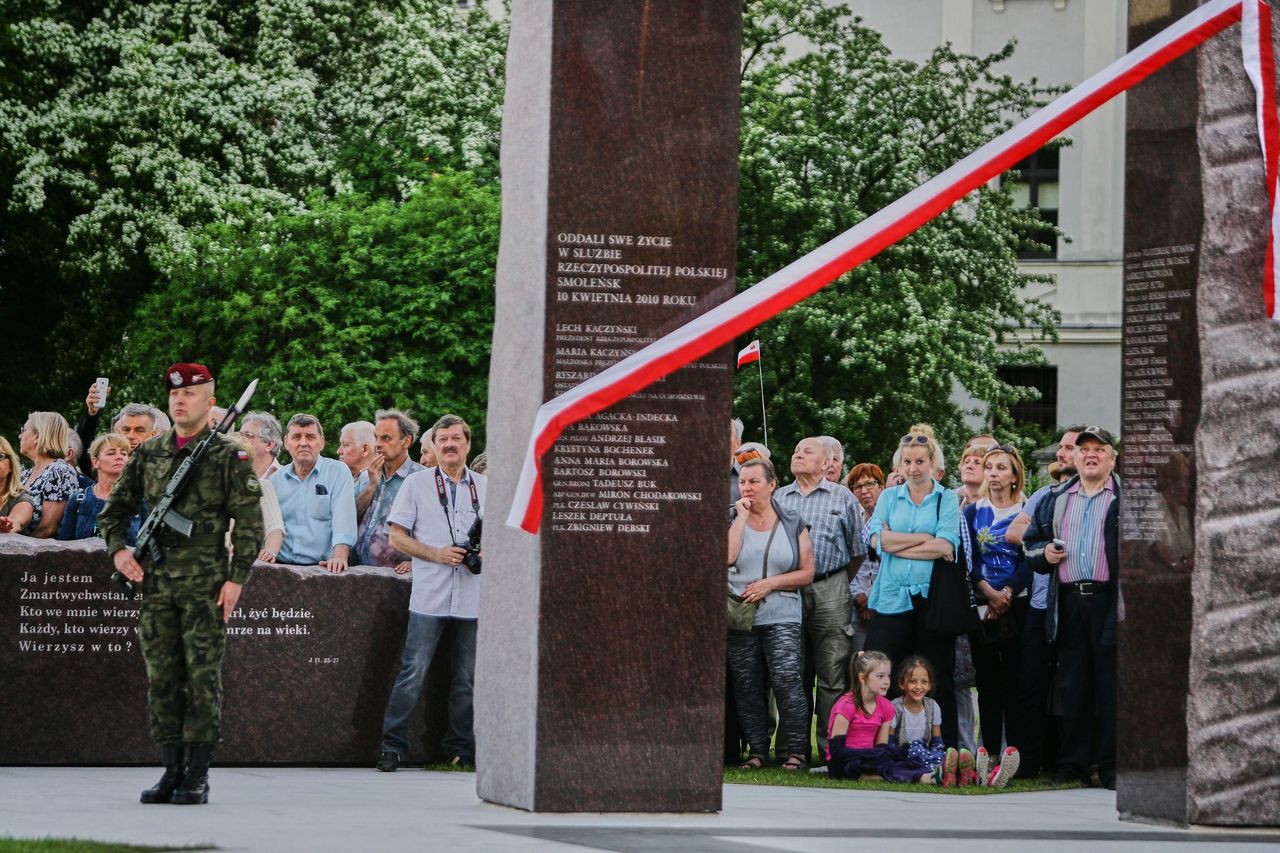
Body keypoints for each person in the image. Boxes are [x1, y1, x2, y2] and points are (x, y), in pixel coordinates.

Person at [99, 362, 264, 806]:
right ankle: (171, 769)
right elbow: (113, 513)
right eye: (174, 394)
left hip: (207, 584)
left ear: (209, 403)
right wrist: (119, 551)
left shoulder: (230, 454)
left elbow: (251, 524)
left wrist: (237, 580)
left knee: (202, 677)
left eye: (190, 394)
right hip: (157, 585)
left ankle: (198, 774)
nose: (179, 400)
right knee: (163, 678)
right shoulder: (149, 453)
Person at [376, 414, 485, 770]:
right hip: (430, 594)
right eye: (443, 440)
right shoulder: (417, 484)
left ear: (468, 443)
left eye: (456, 438)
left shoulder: (486, 487)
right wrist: (436, 554)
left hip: (472, 596)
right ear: (434, 447)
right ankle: (392, 746)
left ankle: (458, 750)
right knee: (413, 671)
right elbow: (397, 537)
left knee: (467, 678)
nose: (450, 445)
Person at [1023, 426, 1121, 789]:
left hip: (1110, 601)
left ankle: (1112, 768)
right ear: (1075, 457)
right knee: (1073, 688)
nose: (1091, 455)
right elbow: (1031, 544)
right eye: (1085, 450)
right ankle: (1072, 767)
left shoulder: (1126, 498)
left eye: (1099, 449)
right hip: (1067, 602)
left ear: (1112, 457)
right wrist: (1044, 554)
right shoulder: (1058, 497)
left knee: (1111, 688)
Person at [864, 425, 960, 745]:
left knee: (936, 676)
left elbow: (946, 546)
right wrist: (922, 538)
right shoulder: (890, 496)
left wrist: (897, 543)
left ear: (932, 464)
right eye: (907, 462)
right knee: (881, 675)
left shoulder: (945, 499)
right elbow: (878, 541)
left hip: (931, 600)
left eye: (919, 461)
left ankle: (942, 748)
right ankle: (879, 745)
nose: (913, 468)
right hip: (892, 597)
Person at [774, 436, 866, 760]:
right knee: (791, 671)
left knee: (832, 673)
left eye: (806, 451)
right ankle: (791, 750)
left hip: (831, 588)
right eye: (796, 450)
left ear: (827, 463)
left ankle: (830, 751)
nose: (797, 454)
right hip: (788, 591)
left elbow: (858, 551)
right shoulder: (779, 497)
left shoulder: (843, 497)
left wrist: (835, 582)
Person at [726, 457, 815, 771]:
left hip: (783, 615)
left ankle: (796, 750)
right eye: (744, 481)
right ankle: (757, 751)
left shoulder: (792, 521)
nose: (747, 487)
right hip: (740, 615)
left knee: (787, 679)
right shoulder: (732, 517)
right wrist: (739, 517)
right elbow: (727, 557)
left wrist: (770, 583)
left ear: (772, 485)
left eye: (754, 481)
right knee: (747, 685)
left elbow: (807, 573)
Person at [1006, 432, 1079, 779]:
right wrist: (1046, 541)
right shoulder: (1043, 495)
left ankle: (1070, 761)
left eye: (1068, 447)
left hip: (1076, 603)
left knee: (1073, 683)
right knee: (1031, 683)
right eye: (1062, 447)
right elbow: (1014, 532)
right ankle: (1028, 760)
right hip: (1040, 604)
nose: (1061, 452)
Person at [963, 444, 1031, 766]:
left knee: (1014, 681)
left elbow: (1028, 558)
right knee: (987, 682)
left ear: (1015, 475)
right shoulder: (973, 511)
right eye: (989, 467)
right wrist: (988, 591)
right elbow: (968, 557)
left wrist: (1007, 592)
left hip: (1017, 603)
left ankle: (1015, 752)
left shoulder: (1027, 510)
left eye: (1001, 468)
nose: (993, 473)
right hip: (981, 603)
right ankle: (988, 753)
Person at [825, 651, 935, 784]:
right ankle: (927, 779)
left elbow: (881, 745)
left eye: (888, 676)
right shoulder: (846, 706)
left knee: (900, 760)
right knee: (878, 766)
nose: (886, 682)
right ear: (862, 678)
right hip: (843, 762)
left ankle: (938, 774)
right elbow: (836, 751)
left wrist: (882, 753)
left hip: (871, 757)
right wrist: (870, 753)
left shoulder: (886, 706)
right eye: (880, 676)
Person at [271, 415, 356, 572]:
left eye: (310, 437)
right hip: (279, 565)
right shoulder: (275, 480)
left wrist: (340, 557)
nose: (303, 443)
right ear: (286, 442)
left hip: (322, 568)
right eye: (296, 437)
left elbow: (343, 519)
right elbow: (268, 525)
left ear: (321, 442)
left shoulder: (338, 472)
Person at [353, 410, 423, 569]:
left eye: (386, 438)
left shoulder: (421, 479)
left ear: (406, 442)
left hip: (397, 578)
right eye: (376, 437)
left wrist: (417, 561)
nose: (377, 444)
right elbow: (349, 518)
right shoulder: (365, 475)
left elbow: (433, 531)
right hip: (356, 572)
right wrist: (371, 486)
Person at [889, 656, 974, 787]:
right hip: (904, 754)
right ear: (902, 684)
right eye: (912, 681)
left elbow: (937, 740)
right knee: (911, 760)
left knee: (942, 756)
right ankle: (944, 774)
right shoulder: (895, 707)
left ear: (929, 685)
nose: (918, 687)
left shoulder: (932, 706)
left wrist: (938, 754)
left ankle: (965, 774)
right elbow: (890, 741)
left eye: (924, 682)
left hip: (927, 753)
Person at [57, 433, 142, 544]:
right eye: (111, 453)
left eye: (124, 453)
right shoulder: (78, 499)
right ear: (96, 462)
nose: (119, 457)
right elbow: (64, 544)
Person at [18, 411, 80, 538]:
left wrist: (20, 551)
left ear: (37, 436)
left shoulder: (60, 471)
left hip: (40, 554)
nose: (20, 436)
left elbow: (49, 528)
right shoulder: (25, 474)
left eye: (24, 430)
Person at [844, 463, 884, 652]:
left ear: (881, 487)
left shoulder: (891, 519)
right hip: (856, 603)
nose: (864, 491)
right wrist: (858, 595)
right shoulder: (852, 519)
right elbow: (849, 562)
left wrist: (871, 597)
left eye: (870, 484)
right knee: (858, 661)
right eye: (858, 487)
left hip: (885, 601)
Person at [0, 436, 35, 535]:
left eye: (0, 456)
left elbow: (16, 521)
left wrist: (6, 527)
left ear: (11, 465)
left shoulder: (21, 497)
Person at [237, 411, 285, 480]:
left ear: (269, 445)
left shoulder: (285, 477)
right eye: (240, 435)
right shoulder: (230, 474)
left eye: (248, 435)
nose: (240, 440)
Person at [338, 421, 378, 498]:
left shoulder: (367, 478)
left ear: (365, 450)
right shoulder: (355, 478)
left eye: (346, 445)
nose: (339, 451)